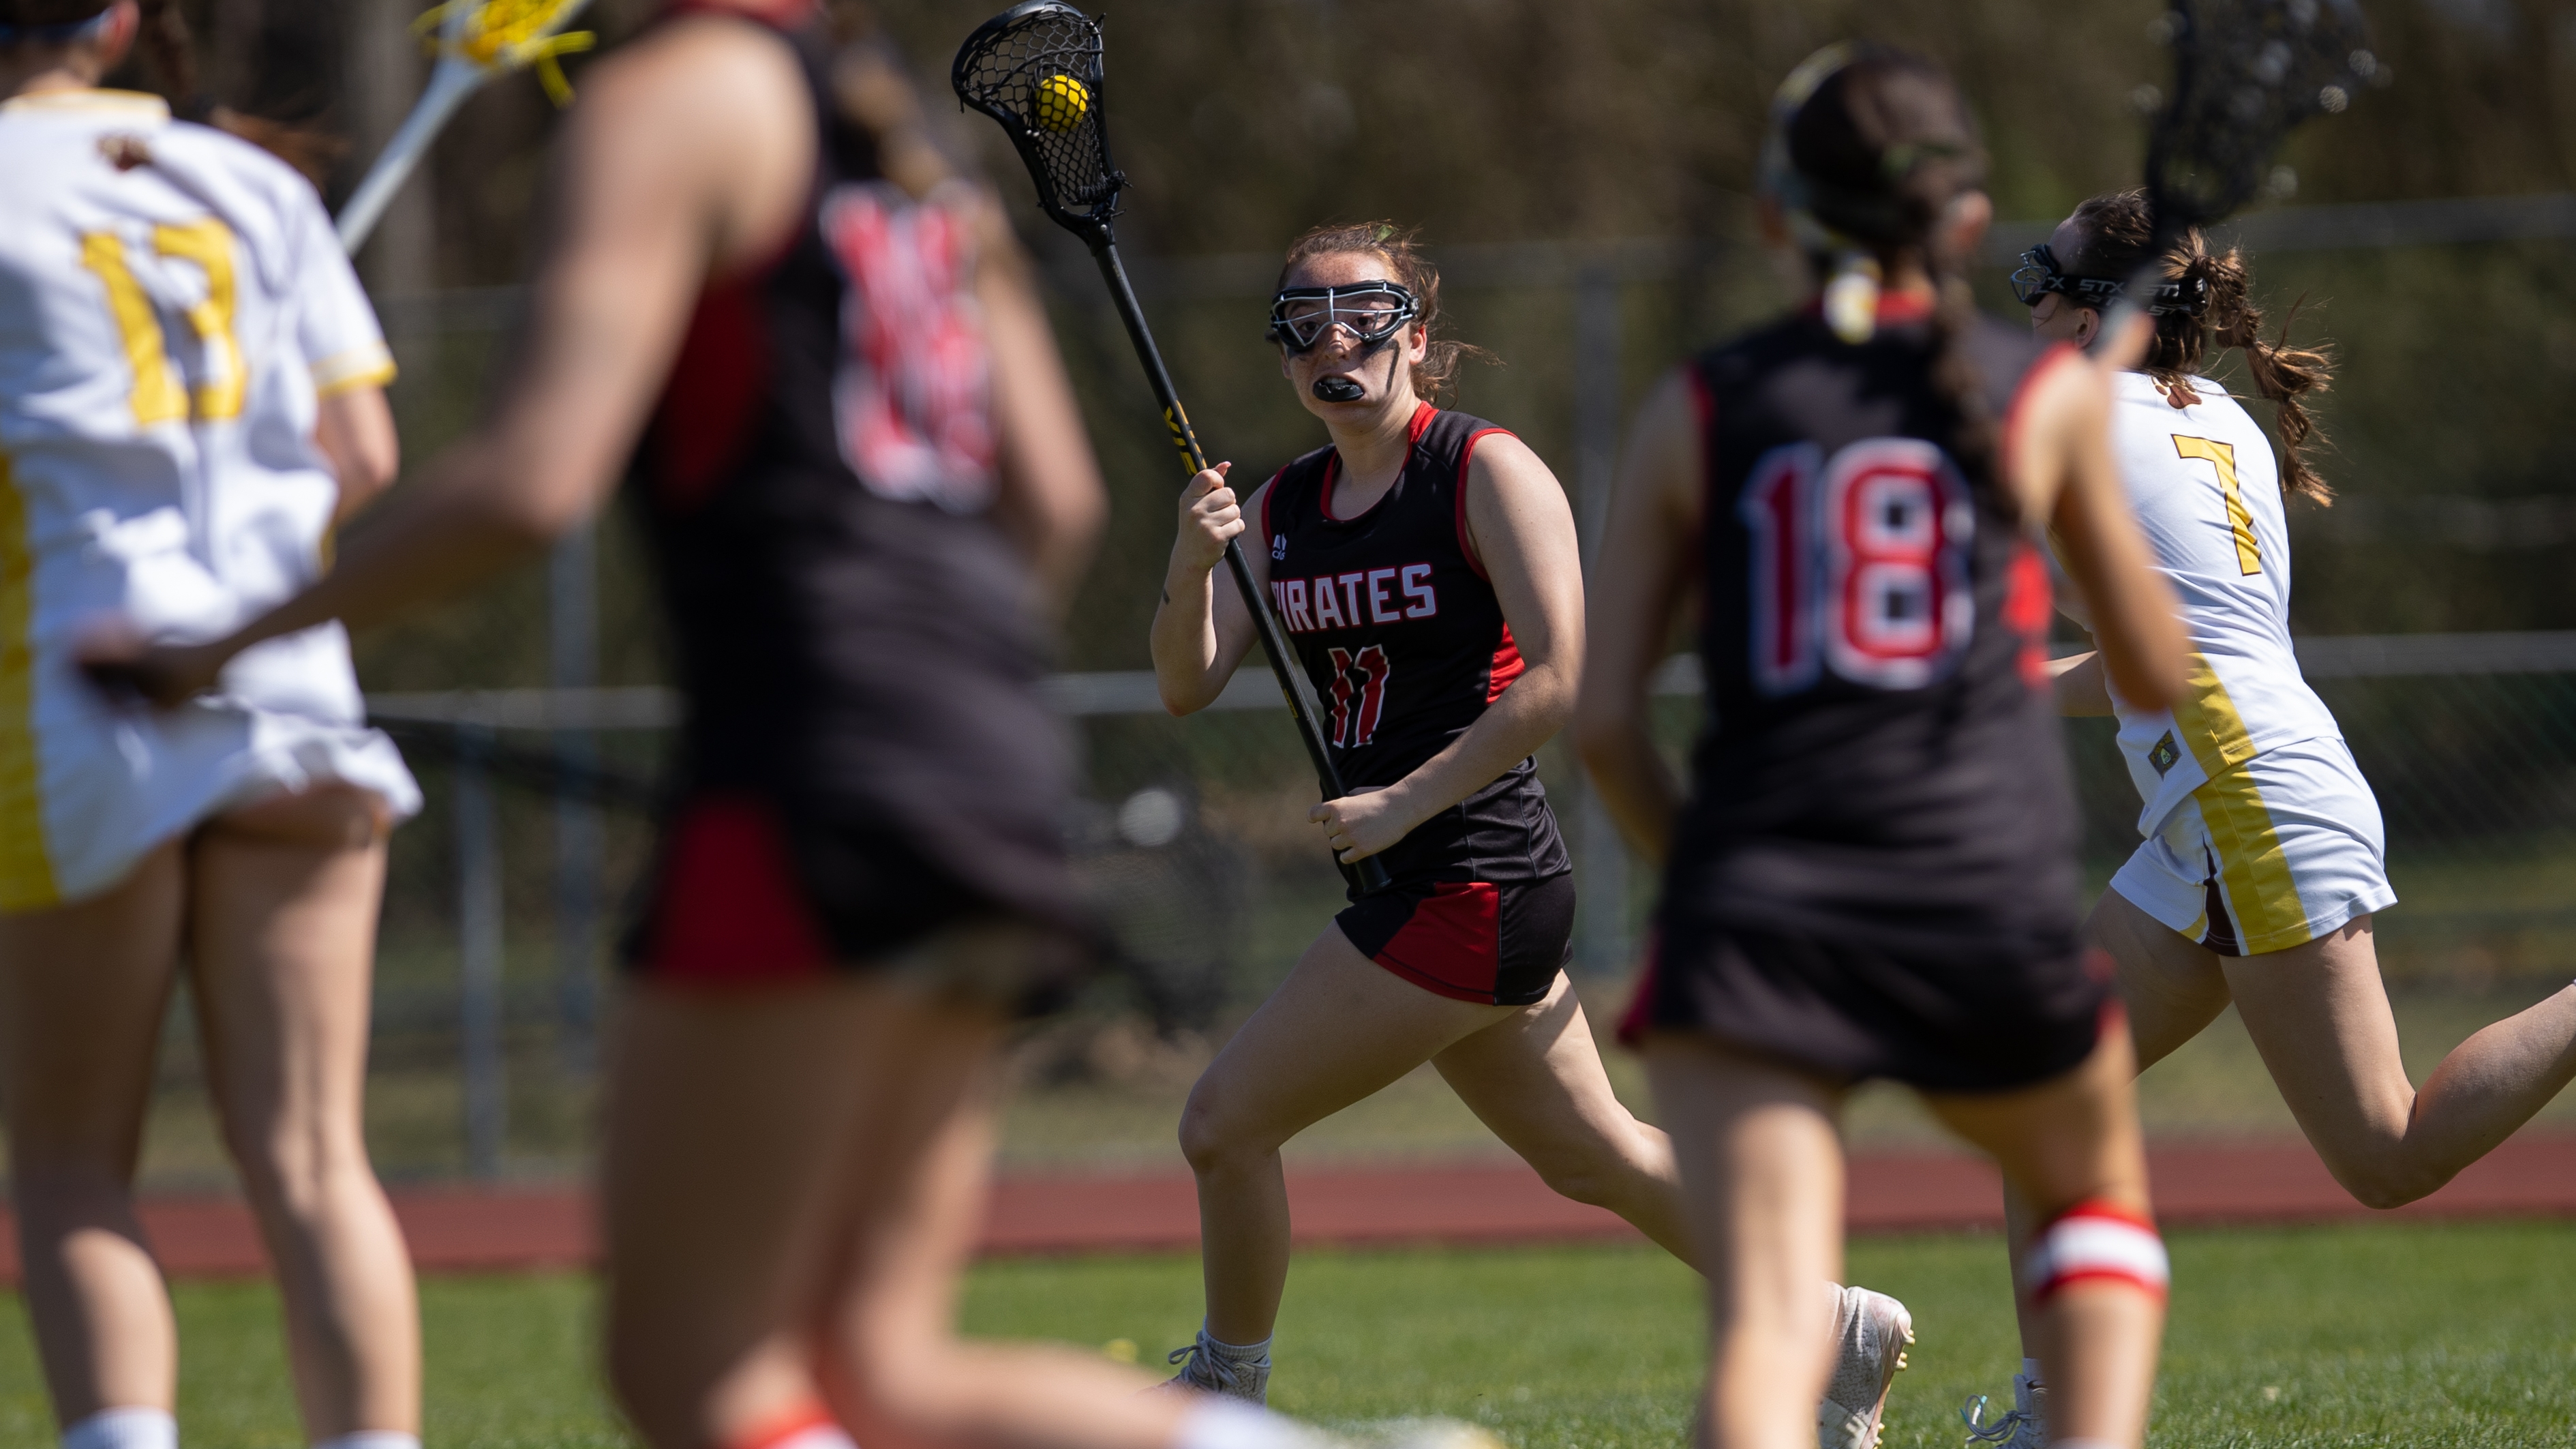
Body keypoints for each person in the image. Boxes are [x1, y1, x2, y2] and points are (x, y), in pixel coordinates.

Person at [77, 7, 1494, 1449]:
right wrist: (916, 692)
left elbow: (528, 480)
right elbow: (1053, 505)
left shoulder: (673, 103)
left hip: (816, 766)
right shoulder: (905, 135)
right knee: (877, 1369)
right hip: (977, 755)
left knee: (691, 1370)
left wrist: (222, 643)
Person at [1149, 220, 1915, 1448]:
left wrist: (1405, 800)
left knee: (1222, 1120)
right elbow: (1187, 685)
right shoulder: (1284, 504)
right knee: (1598, 1155)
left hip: (1476, 878)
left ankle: (1223, 1395)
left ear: (1420, 336)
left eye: (1362, 313)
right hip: (1421, 878)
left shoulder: (1481, 470)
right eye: (1301, 320)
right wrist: (1191, 566)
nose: (1329, 340)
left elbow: (1561, 678)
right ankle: (1832, 1325)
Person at [1575, 46, 2192, 1449]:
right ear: (1969, 227)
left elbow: (1607, 718)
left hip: (1758, 911)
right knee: (2090, 1201)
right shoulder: (2040, 400)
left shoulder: (1700, 404)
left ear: (1775, 221)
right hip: (1978, 890)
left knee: (1770, 1319)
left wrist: (1711, 866)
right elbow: (2163, 666)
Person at [1953, 189, 2576, 1446]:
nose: (2028, 300)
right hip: (2235, 788)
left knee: (2386, 1153)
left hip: (2244, 791)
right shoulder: (2212, 414)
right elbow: (2167, 655)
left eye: (2046, 273)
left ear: (2102, 308)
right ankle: (2057, 1418)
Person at [0, 5, 425, 1449]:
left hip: (75, 709)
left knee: (69, 1168)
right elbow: (358, 453)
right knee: (314, 1162)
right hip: (290, 693)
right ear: (119, 17)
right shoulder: (252, 182)